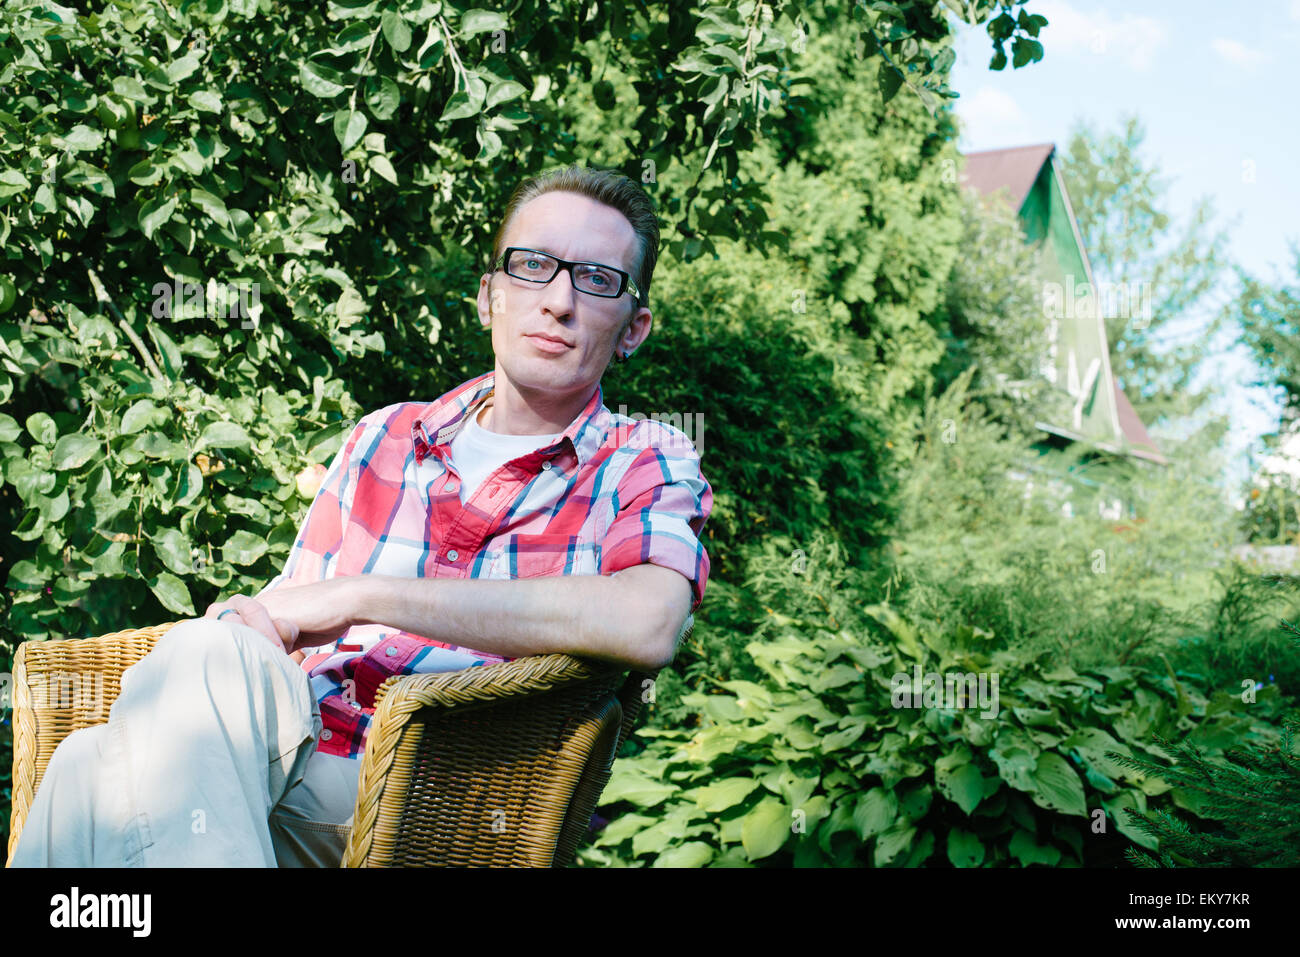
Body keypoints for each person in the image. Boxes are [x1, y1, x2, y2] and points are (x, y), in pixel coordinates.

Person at [8, 165, 713, 867]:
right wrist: (239, 624)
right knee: (143, 716)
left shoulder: (642, 457)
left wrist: (364, 595)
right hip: (285, 750)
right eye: (533, 266)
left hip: (441, 799)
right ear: (487, 296)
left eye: (595, 279)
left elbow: (648, 621)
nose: (559, 300)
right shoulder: (386, 435)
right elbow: (279, 625)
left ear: (633, 327)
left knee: (90, 774)